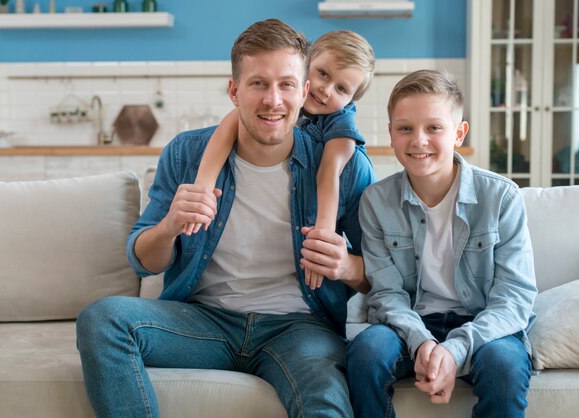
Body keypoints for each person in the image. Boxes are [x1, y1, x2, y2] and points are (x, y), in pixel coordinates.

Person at [76, 18, 375, 418]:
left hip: (300, 328)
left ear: (303, 91)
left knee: (324, 398)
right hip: (201, 322)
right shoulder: (186, 153)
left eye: (286, 84)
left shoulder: (347, 167)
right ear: (234, 90)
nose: (273, 100)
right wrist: (169, 227)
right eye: (258, 84)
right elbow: (142, 260)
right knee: (102, 319)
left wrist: (348, 265)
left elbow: (382, 274)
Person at [346, 69, 537, 418]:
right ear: (391, 134)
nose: (419, 140)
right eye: (405, 128)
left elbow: (514, 298)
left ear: (459, 133)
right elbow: (386, 293)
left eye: (434, 127)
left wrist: (455, 349)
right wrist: (422, 343)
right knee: (366, 352)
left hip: (483, 323)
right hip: (409, 322)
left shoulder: (502, 197)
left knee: (504, 367)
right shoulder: (376, 201)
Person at [187, 29, 375, 290]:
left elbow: (329, 172)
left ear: (350, 100)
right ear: (306, 65)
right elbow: (228, 127)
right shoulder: (279, 99)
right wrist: (203, 188)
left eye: (341, 88)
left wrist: (323, 234)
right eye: (322, 73)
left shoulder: (339, 126)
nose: (325, 90)